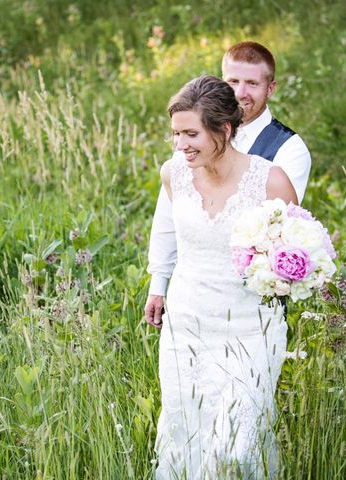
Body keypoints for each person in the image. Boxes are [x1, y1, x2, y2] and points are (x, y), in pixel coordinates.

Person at [151, 75, 298, 478]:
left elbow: (296, 255)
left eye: (191, 134)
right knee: (186, 432)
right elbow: (165, 230)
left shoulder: (270, 180)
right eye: (176, 134)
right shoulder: (173, 173)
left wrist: (282, 276)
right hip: (187, 326)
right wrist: (156, 286)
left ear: (225, 129)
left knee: (236, 448)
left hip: (249, 329)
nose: (181, 145)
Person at [145, 41, 311, 329]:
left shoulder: (289, 150)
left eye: (252, 83)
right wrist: (159, 283)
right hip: (191, 298)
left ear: (270, 87)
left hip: (250, 306)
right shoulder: (191, 139)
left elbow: (281, 234)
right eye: (233, 81)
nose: (240, 93)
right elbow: (169, 220)